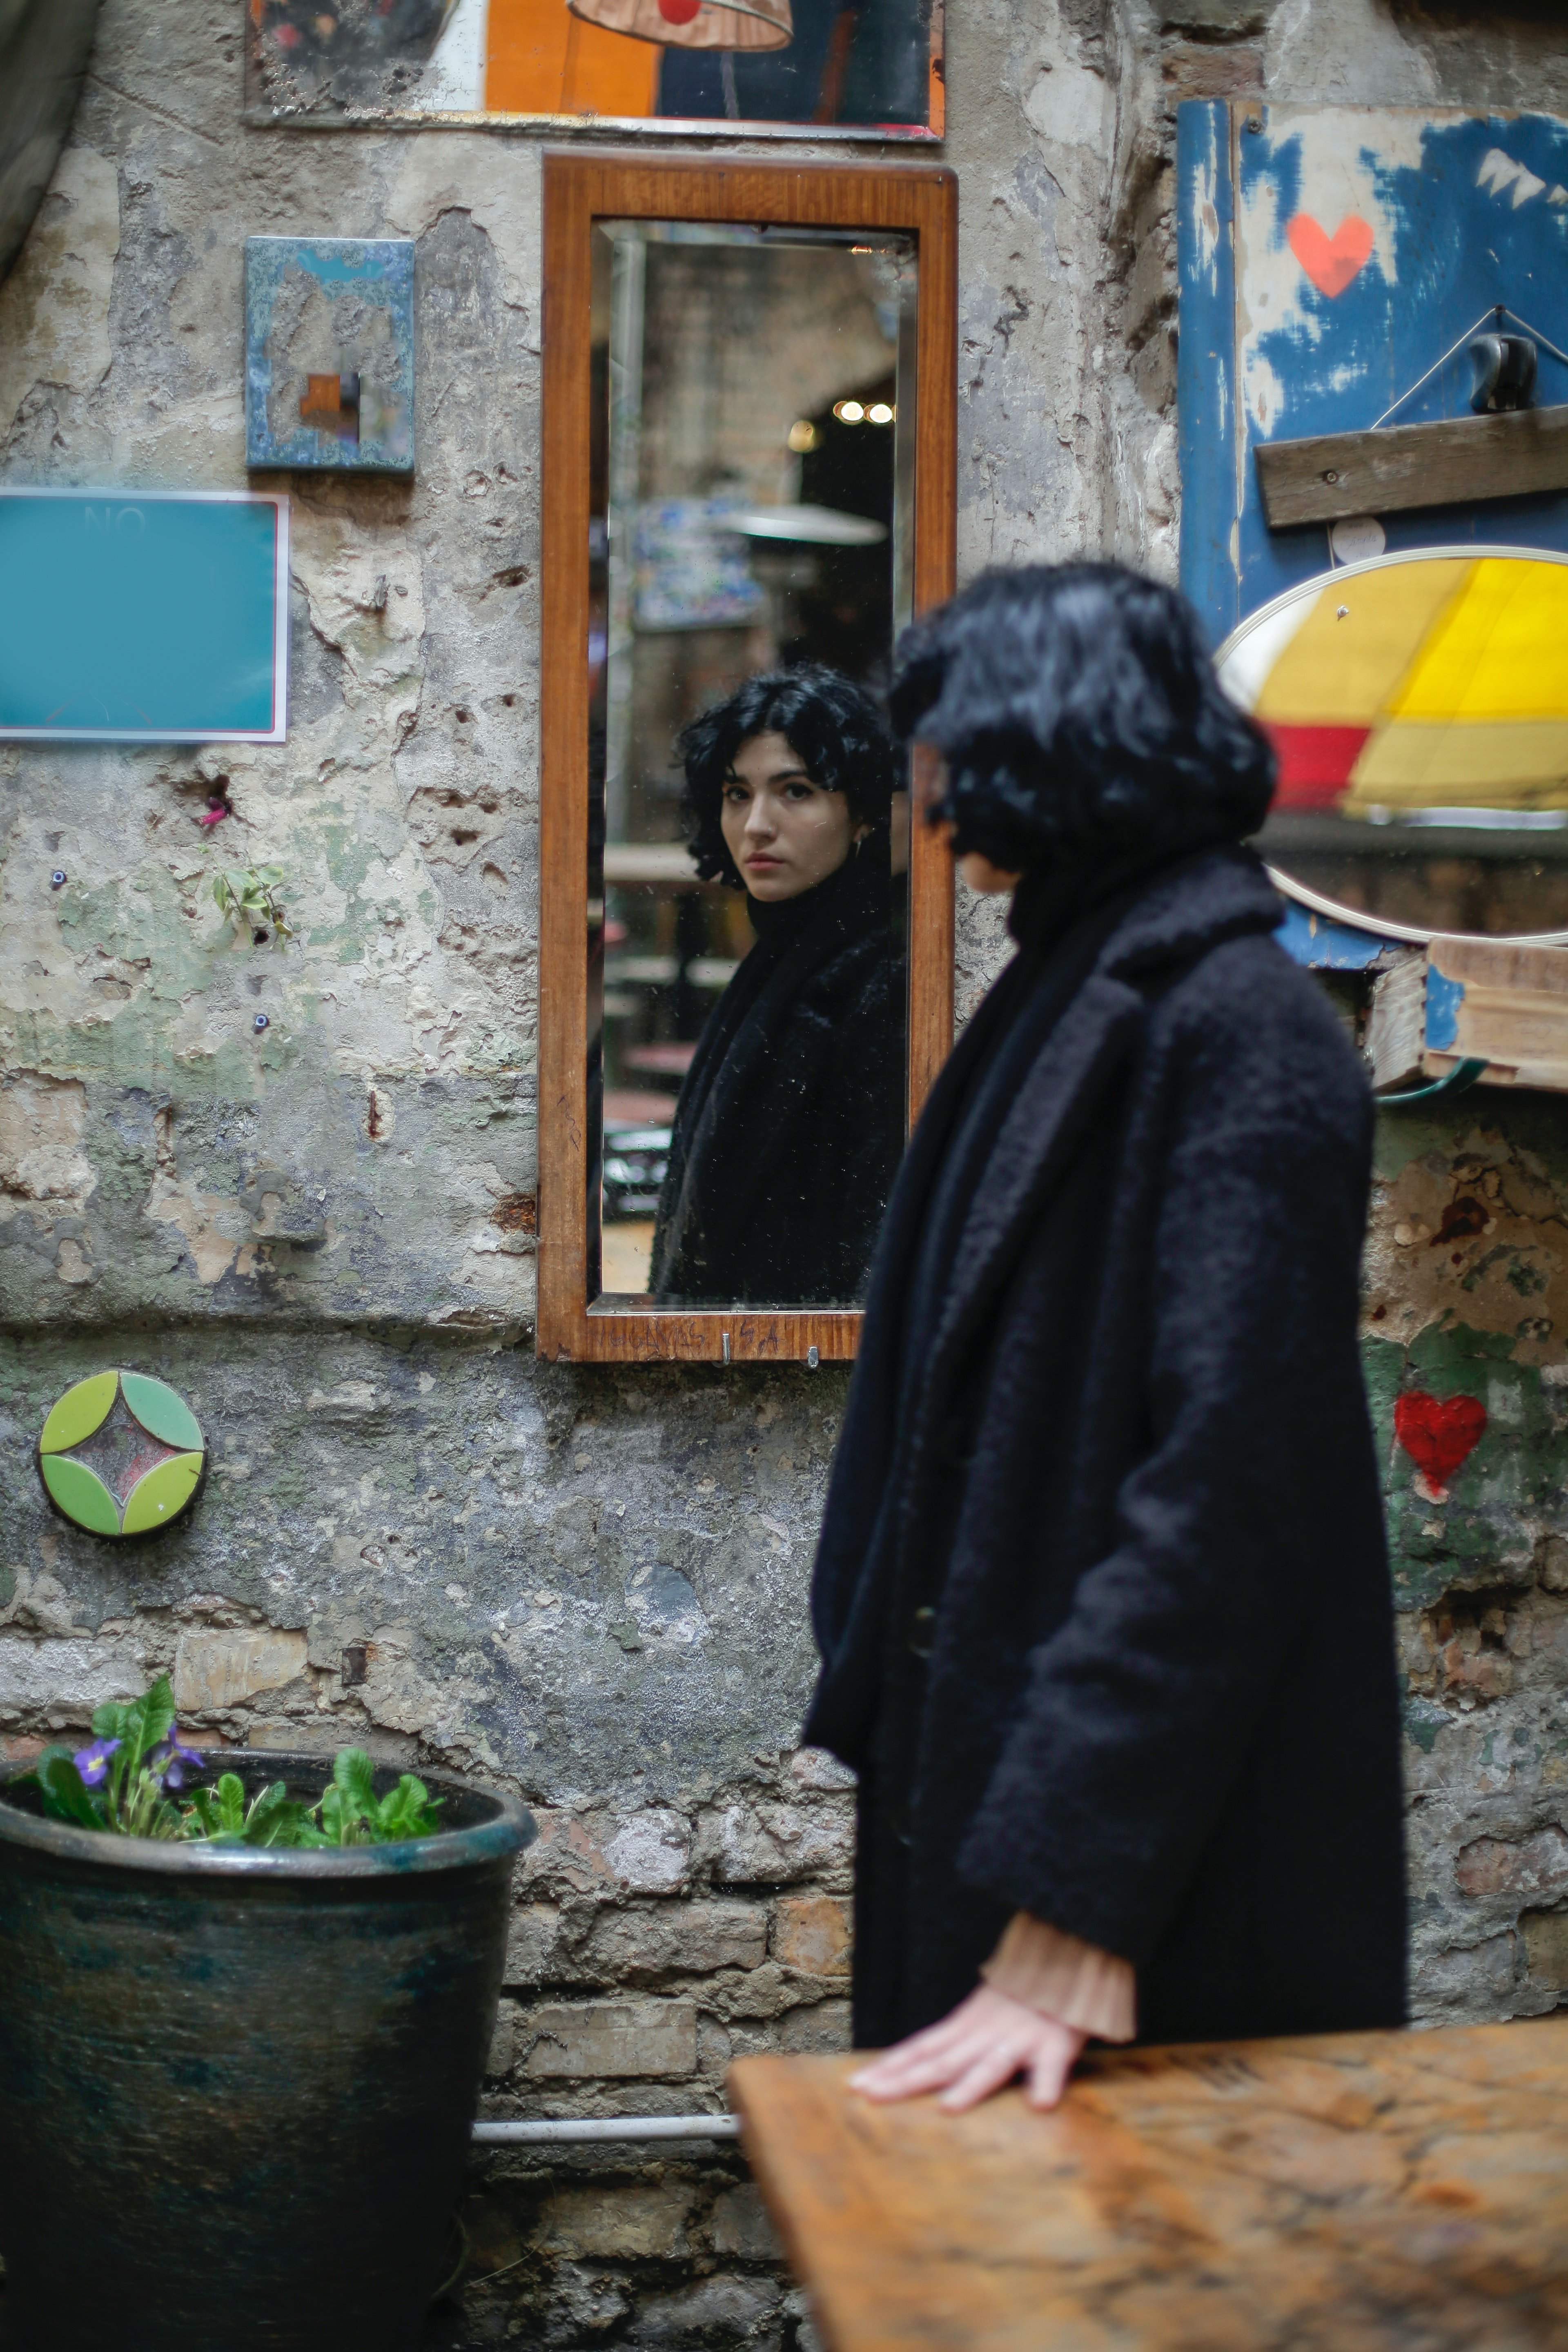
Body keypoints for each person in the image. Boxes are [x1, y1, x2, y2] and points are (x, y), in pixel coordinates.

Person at [803, 563, 1407, 2114]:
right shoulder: (1069, 986)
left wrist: (1079, 1895)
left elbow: (1230, 1490)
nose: (924, 789)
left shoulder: (1239, 1031)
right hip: (1001, 1791)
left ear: (1044, 739)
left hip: (1150, 1883)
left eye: (948, 743)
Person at [650, 665, 906, 1307]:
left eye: (795, 791)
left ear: (864, 816)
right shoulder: (781, 958)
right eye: (738, 793)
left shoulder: (877, 978)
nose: (757, 824)